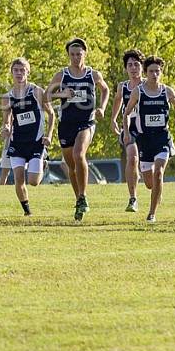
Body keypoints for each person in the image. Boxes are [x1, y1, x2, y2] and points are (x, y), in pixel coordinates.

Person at [47, 38, 109, 221]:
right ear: (68, 55)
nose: (75, 58)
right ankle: (79, 200)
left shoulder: (93, 74)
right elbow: (45, 96)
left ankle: (82, 196)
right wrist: (62, 94)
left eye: (79, 54)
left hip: (86, 122)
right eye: (72, 54)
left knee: (78, 154)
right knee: (71, 167)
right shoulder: (62, 75)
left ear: (85, 54)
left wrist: (102, 108)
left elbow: (105, 90)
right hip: (66, 124)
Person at [123, 56, 175, 223]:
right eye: (151, 71)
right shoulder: (138, 92)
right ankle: (157, 191)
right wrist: (127, 132)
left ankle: (151, 214)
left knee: (159, 172)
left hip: (162, 139)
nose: (154, 74)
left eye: (157, 71)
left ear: (161, 72)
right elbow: (127, 113)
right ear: (146, 72)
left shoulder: (167, 91)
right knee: (150, 183)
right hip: (145, 141)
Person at [0, 58, 55, 216]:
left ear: (27, 72)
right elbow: (7, 120)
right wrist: (5, 128)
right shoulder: (7, 97)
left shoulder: (37, 91)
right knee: (18, 178)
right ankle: (27, 211)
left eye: (22, 70)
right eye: (16, 70)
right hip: (17, 142)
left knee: (33, 181)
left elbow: (51, 114)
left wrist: (49, 135)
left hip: (36, 142)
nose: (19, 73)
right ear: (11, 72)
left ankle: (42, 162)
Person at [110, 50, 144, 212]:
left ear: (142, 67)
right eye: (130, 65)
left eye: (136, 64)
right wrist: (113, 119)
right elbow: (117, 100)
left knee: (150, 177)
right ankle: (133, 198)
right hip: (130, 127)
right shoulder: (122, 87)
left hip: (149, 129)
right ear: (125, 68)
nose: (133, 68)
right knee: (132, 158)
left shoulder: (148, 84)